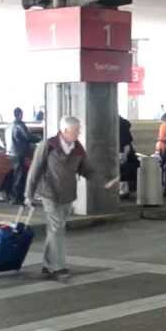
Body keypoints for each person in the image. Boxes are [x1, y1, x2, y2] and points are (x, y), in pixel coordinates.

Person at [25, 116, 119, 280]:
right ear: (65, 131)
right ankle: (57, 267)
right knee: (57, 229)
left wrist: (104, 182)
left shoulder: (78, 149)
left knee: (55, 230)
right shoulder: (48, 146)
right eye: (76, 130)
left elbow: (87, 170)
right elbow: (35, 171)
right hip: (50, 193)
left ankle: (48, 264)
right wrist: (29, 194)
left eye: (79, 129)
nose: (79, 132)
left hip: (67, 194)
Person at [7, 107, 33, 206]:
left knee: (16, 175)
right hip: (19, 153)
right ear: (20, 114)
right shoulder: (19, 125)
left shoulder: (10, 126)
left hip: (11, 153)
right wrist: (39, 138)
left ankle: (15, 197)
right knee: (20, 176)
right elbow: (27, 137)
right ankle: (17, 198)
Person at [118, 115, 138, 199]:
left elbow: (126, 144)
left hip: (124, 153)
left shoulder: (121, 128)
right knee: (124, 171)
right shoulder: (124, 127)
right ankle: (125, 191)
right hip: (127, 154)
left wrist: (124, 155)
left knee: (123, 170)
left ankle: (124, 192)